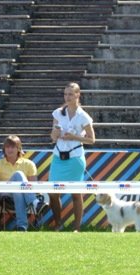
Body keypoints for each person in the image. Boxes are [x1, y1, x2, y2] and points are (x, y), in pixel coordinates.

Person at [49, 82, 95, 232]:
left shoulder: (83, 116)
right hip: (58, 156)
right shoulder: (58, 112)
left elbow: (91, 139)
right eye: (65, 94)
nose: (67, 97)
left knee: (76, 193)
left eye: (70, 94)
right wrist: (55, 134)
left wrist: (74, 137)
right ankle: (58, 224)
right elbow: (53, 136)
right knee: (53, 193)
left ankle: (77, 227)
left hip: (75, 157)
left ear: (77, 95)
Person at [0, 135, 47, 231]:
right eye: (7, 147)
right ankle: (35, 203)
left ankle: (22, 226)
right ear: (4, 149)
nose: (9, 149)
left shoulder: (29, 164)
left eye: (12, 147)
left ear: (18, 148)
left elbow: (34, 186)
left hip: (23, 193)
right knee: (18, 174)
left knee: (18, 190)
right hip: (4, 194)